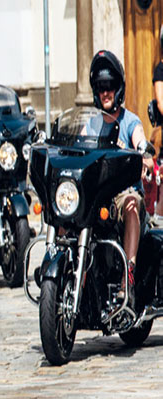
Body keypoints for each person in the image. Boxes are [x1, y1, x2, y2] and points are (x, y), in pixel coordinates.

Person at [89, 50, 153, 305]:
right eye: (101, 86)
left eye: (110, 86)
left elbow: (141, 142)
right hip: (97, 196)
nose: (106, 92)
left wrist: (144, 153)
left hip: (123, 194)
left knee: (130, 205)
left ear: (119, 88)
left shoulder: (130, 121)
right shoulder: (91, 125)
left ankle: (129, 274)